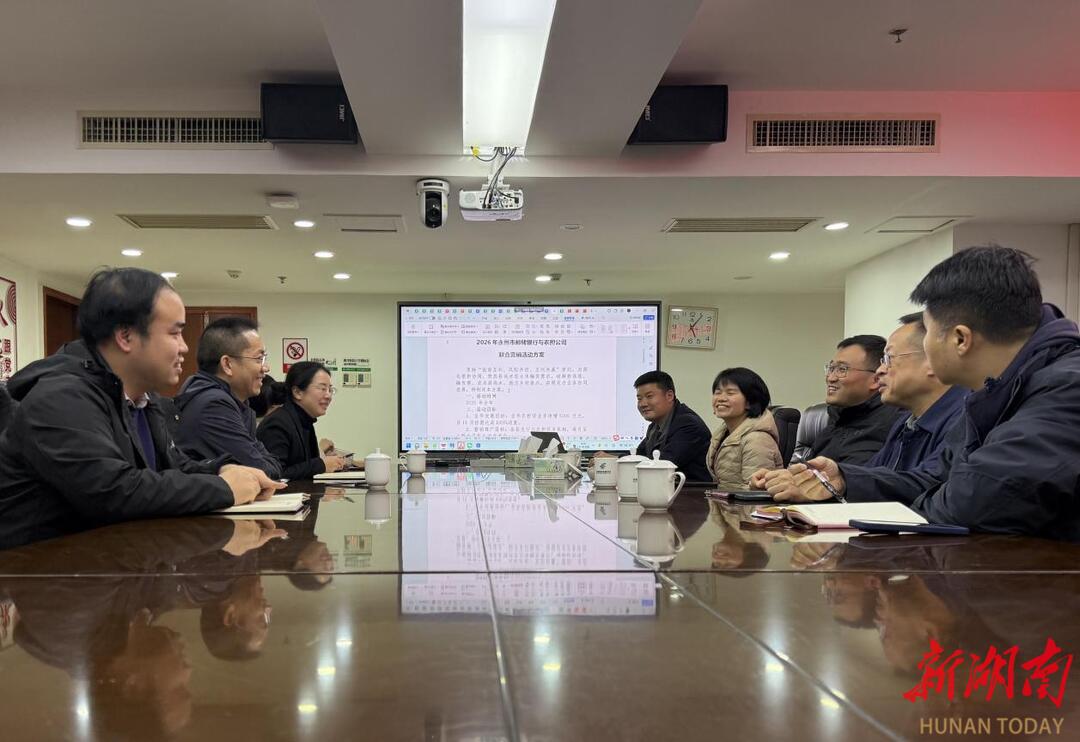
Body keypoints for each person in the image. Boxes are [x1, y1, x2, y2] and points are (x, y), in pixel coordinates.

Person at [761, 247, 1080, 540]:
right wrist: (845, 479)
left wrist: (901, 509)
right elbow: (935, 478)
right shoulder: (990, 395)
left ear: (960, 339)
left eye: (929, 331)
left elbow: (974, 501)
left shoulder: (1067, 388)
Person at [0, 268, 282, 549]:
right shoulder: (61, 397)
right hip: (40, 569)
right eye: (175, 333)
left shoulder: (143, 398)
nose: (184, 347)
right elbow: (113, 491)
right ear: (126, 336)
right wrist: (224, 488)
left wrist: (223, 470)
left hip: (115, 561)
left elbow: (174, 465)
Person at [755, 313, 967, 504]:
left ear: (932, 359)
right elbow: (872, 475)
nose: (880, 371)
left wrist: (843, 480)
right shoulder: (906, 423)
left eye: (889, 359)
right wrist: (806, 479)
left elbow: (931, 485)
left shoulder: (965, 418)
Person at [173, 317, 282, 478]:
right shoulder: (214, 406)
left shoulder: (235, 402)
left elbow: (271, 465)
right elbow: (262, 470)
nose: (266, 368)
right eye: (259, 359)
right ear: (227, 364)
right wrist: (268, 465)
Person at [256, 362, 347, 479]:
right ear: (297, 392)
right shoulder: (277, 423)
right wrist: (321, 465)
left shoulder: (304, 420)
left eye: (330, 389)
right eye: (322, 388)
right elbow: (274, 474)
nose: (328, 395)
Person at [705, 367, 782, 489]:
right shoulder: (723, 433)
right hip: (725, 499)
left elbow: (757, 492)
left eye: (730, 393)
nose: (721, 398)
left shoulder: (757, 439)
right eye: (717, 392)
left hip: (744, 501)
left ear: (750, 401)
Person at [632, 371, 711, 482]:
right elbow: (638, 455)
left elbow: (663, 465)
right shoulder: (654, 427)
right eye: (639, 398)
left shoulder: (689, 425)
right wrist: (613, 459)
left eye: (649, 396)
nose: (643, 404)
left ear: (669, 396)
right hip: (664, 488)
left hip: (690, 491)